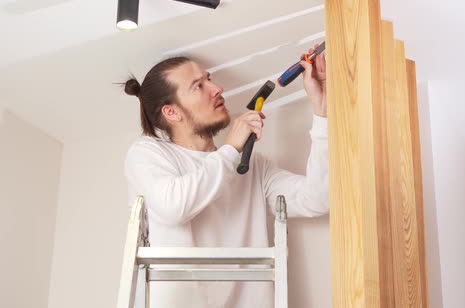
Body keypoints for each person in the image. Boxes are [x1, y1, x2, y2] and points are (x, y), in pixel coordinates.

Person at [123, 45, 328, 307]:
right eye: (198, 86)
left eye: (208, 79)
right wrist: (231, 149)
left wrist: (321, 106)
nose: (217, 87)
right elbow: (174, 207)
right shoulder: (148, 153)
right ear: (171, 112)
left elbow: (318, 199)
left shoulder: (252, 168)